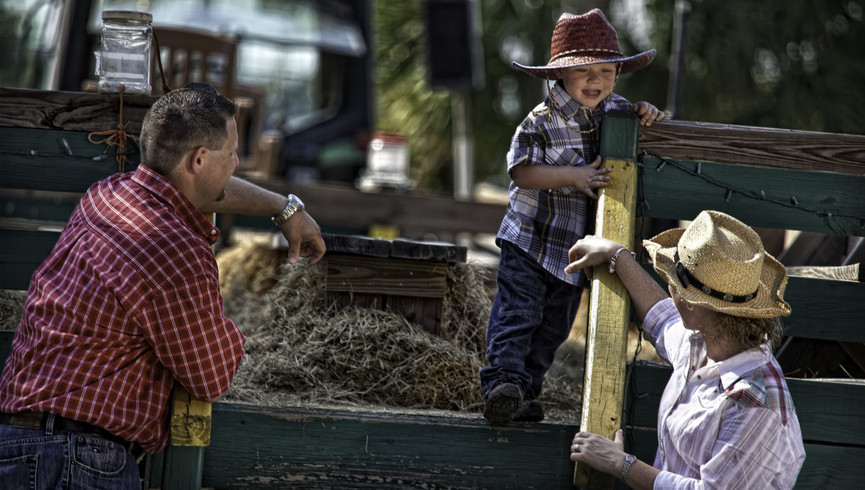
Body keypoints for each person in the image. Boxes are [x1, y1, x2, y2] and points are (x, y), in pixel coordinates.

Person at [0, 85, 325, 488]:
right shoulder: (175, 252)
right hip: (78, 463)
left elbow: (198, 190)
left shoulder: (106, 195)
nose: (237, 163)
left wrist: (285, 208)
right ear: (200, 159)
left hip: (16, 443)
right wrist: (239, 333)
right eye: (232, 154)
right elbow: (212, 375)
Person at [480, 9, 665, 424]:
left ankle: (523, 394)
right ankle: (502, 383)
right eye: (584, 71)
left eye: (606, 70)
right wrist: (574, 175)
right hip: (530, 241)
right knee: (518, 314)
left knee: (553, 331)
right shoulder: (540, 122)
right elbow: (522, 172)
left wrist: (647, 112)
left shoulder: (617, 112)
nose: (596, 80)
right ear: (559, 75)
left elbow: (643, 123)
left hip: (573, 253)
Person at [564, 210, 806, 488]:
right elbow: (663, 319)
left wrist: (622, 465)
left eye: (673, 280)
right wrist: (618, 256)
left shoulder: (754, 405)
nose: (669, 286)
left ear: (691, 304)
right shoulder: (707, 342)